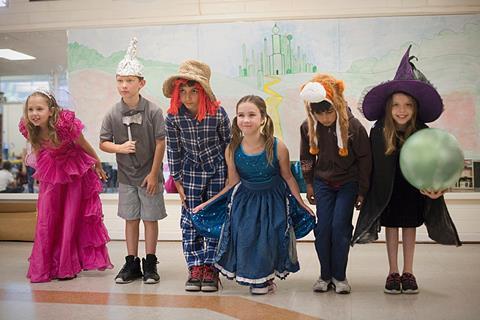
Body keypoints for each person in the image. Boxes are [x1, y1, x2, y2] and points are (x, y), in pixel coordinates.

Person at [352, 45, 461, 294]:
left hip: (413, 190)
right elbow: (371, 167)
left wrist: (438, 187)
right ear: (389, 108)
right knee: (392, 229)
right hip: (388, 191)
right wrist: (363, 192)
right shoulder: (378, 132)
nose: (402, 110)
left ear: (415, 109)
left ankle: (408, 272)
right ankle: (392, 272)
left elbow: (437, 164)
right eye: (396, 105)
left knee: (409, 229)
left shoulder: (423, 132)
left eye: (408, 105)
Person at [192, 95, 315, 295]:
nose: (246, 120)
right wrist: (207, 203)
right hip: (245, 201)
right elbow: (232, 183)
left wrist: (302, 204)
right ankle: (256, 278)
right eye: (241, 115)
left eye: (251, 115)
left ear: (263, 118)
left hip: (273, 200)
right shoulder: (232, 149)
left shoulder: (277, 146)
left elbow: (289, 178)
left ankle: (265, 279)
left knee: (269, 237)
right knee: (246, 236)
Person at [19, 90, 112, 283]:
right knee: (47, 216)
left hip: (73, 172)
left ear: (51, 111)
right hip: (51, 171)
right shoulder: (29, 128)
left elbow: (85, 146)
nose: (34, 113)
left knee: (70, 217)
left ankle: (66, 265)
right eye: (31, 109)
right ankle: (45, 265)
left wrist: (98, 164)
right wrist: (41, 173)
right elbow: (38, 150)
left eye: (39, 109)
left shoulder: (65, 125)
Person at [100, 37, 167, 284]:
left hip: (149, 176)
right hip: (127, 177)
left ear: (141, 83)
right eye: (120, 81)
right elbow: (103, 142)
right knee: (131, 219)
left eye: (129, 81)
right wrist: (119, 147)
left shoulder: (153, 111)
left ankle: (150, 262)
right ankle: (131, 263)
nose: (124, 85)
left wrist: (153, 173)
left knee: (150, 219)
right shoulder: (112, 113)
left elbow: (161, 142)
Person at [299, 74, 372, 294]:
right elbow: (306, 157)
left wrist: (362, 190)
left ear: (336, 105)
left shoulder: (354, 127)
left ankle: (339, 277)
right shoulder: (308, 127)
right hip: (322, 183)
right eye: (318, 113)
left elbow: (365, 159)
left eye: (329, 111)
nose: (325, 118)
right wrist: (309, 184)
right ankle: (324, 275)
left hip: (348, 183)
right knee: (323, 229)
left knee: (340, 227)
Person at [163, 59, 231, 292]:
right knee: (191, 220)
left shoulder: (218, 114)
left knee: (214, 218)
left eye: (194, 91)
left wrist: (229, 178)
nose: (188, 97)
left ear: (203, 92)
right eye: (182, 91)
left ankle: (211, 267)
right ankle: (195, 265)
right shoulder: (173, 117)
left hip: (217, 173)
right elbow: (174, 149)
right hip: (190, 174)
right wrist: (178, 182)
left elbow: (228, 145)